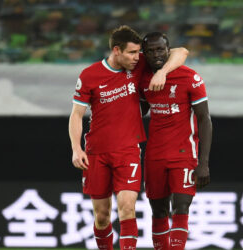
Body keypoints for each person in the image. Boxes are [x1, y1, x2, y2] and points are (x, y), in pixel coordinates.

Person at [68, 25, 188, 250]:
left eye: (137, 53)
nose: (137, 57)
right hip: (97, 152)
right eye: (132, 53)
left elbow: (181, 51)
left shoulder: (138, 64)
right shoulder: (89, 75)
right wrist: (76, 148)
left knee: (127, 208)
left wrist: (162, 72)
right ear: (116, 50)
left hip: (128, 150)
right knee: (102, 216)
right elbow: (76, 114)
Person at [139, 32, 212, 250]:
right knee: (158, 211)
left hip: (183, 152)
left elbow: (204, 119)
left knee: (181, 207)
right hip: (154, 154)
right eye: (150, 51)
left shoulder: (190, 77)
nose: (156, 54)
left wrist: (203, 162)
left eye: (160, 49)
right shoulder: (142, 77)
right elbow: (140, 110)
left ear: (168, 50)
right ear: (145, 54)